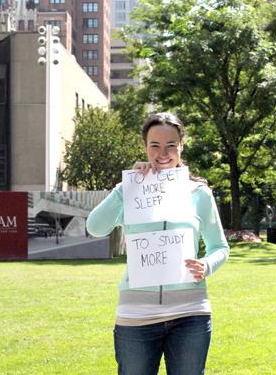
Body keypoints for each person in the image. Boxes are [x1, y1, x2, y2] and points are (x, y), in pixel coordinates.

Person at [86, 112, 229, 375]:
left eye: (170, 145)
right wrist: (124, 188)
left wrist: (206, 265)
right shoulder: (129, 190)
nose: (163, 153)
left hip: (191, 313)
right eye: (155, 145)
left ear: (181, 146)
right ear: (145, 147)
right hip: (136, 315)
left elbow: (220, 247)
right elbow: (95, 227)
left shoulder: (199, 193)